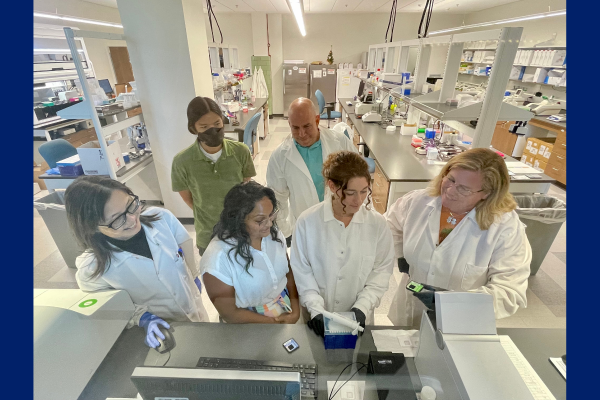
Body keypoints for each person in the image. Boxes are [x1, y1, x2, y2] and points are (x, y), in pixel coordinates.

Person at [384, 148, 532, 327]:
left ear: (487, 193)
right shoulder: (418, 202)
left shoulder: (505, 228)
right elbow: (389, 227)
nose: (451, 191)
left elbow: (510, 292)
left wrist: (453, 303)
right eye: (451, 179)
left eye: (463, 189)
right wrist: (400, 254)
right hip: (409, 311)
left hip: (462, 322)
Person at [65, 176, 209, 349]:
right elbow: (108, 305)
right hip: (164, 331)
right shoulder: (92, 269)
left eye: (131, 205)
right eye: (117, 219)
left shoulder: (161, 218)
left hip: (196, 311)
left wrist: (193, 276)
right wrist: (142, 318)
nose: (133, 219)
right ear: (93, 226)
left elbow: (184, 244)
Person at [291, 151, 394, 336]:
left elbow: (381, 272)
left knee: (355, 363)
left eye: (364, 191)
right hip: (315, 318)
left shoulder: (377, 225)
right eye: (350, 193)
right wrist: (316, 309)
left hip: (358, 320)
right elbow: (302, 271)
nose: (359, 200)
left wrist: (362, 308)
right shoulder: (307, 222)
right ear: (332, 186)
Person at [201, 181, 301, 324]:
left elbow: (287, 271)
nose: (270, 224)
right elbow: (230, 313)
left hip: (284, 308)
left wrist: (295, 311)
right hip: (249, 322)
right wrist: (276, 322)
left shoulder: (272, 234)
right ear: (238, 219)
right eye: (260, 220)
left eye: (271, 215)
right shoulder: (217, 258)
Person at [267, 97, 357, 247]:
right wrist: (285, 232)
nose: (301, 134)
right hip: (305, 228)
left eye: (307, 126)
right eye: (295, 128)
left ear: (317, 120)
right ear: (289, 124)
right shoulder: (280, 157)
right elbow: (277, 198)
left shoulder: (340, 143)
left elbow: (358, 180)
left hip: (342, 222)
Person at [172, 96, 256, 255]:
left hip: (240, 230)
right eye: (204, 126)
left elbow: (245, 188)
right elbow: (189, 199)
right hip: (208, 234)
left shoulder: (240, 151)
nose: (212, 130)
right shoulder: (182, 162)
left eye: (217, 124)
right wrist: (209, 210)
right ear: (193, 128)